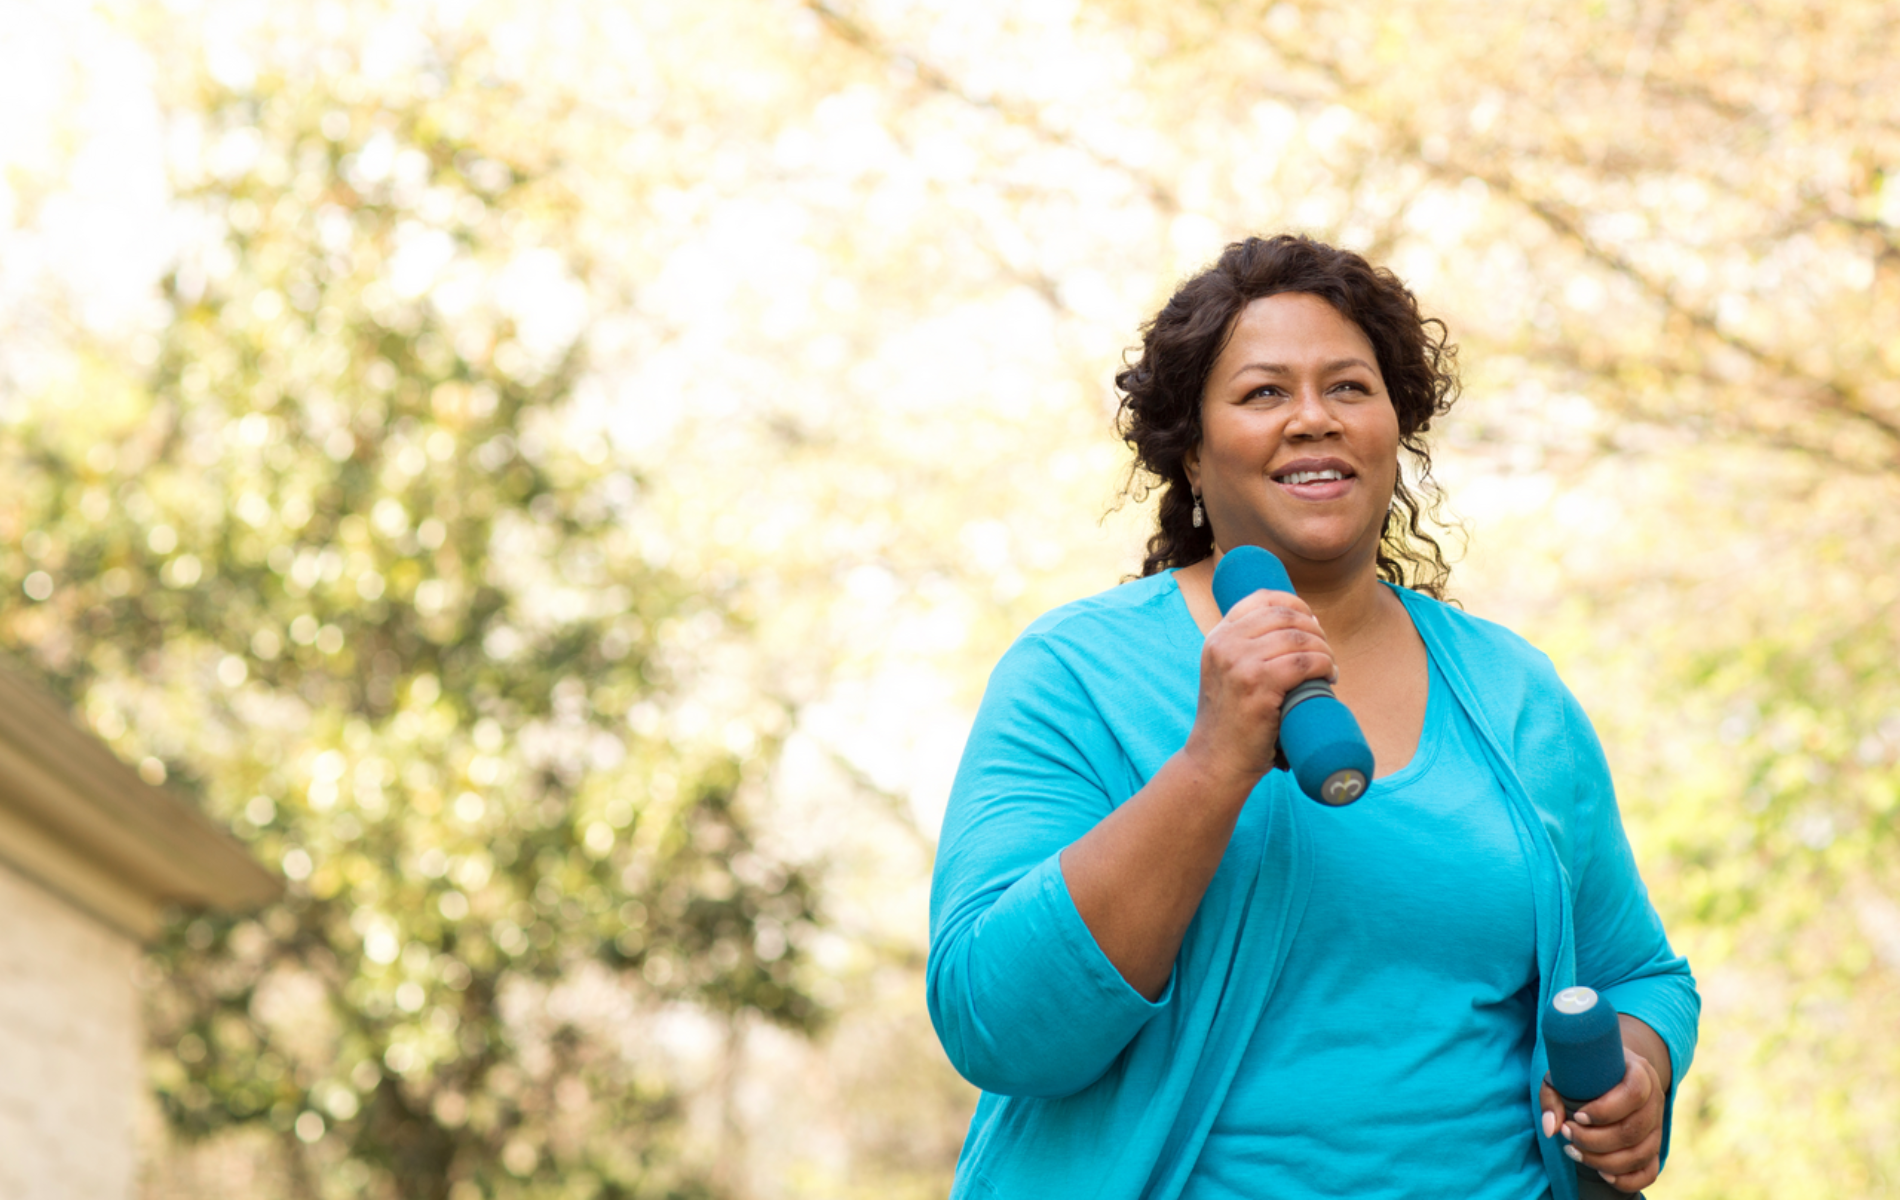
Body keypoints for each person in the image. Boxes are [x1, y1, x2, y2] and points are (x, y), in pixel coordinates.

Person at [926, 235, 1699, 1199]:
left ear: (1394, 428)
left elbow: (1639, 976)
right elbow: (996, 1025)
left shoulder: (1513, 691)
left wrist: (1638, 1073)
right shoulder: (1077, 676)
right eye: (1261, 393)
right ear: (1192, 454)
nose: (1312, 420)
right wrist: (1212, 761)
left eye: (1348, 388)